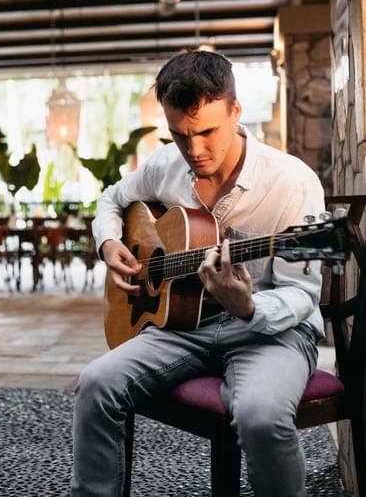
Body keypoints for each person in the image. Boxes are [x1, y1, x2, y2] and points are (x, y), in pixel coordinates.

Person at [71, 50, 325, 497]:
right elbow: (112, 198)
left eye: (207, 132)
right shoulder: (166, 164)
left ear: (235, 111)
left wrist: (248, 305)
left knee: (260, 415)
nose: (195, 149)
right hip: (181, 325)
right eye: (180, 134)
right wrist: (110, 242)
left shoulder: (292, 182)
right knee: (96, 384)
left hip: (273, 331)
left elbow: (302, 293)